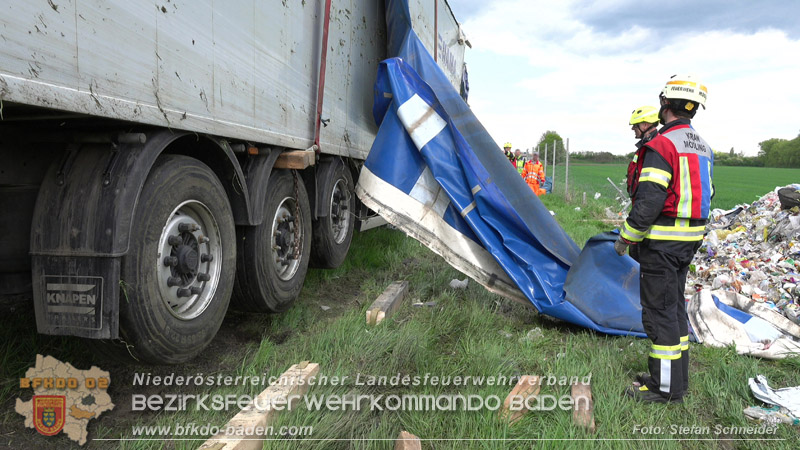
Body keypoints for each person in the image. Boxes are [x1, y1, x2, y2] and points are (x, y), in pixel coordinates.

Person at [614, 75, 713, 404]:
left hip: (662, 243)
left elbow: (649, 201)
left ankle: (664, 389)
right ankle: (676, 380)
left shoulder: (662, 144)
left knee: (659, 314)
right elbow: (707, 193)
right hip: (689, 241)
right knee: (674, 310)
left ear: (664, 103)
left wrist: (626, 238)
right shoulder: (703, 146)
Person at [625, 105, 660, 261]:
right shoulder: (645, 148)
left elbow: (650, 194)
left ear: (645, 125)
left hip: (648, 223)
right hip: (641, 217)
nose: (633, 128)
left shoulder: (655, 149)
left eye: (636, 125)